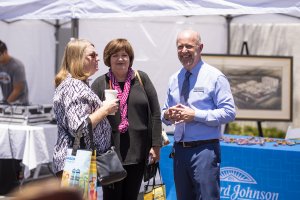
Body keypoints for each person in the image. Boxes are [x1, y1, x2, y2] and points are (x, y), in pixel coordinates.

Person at [161, 29, 236, 200]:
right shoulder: (175, 78)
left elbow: (229, 112)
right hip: (179, 151)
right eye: (180, 47)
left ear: (200, 47)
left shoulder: (215, 77)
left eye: (189, 46)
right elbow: (164, 112)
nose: (184, 51)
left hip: (204, 150)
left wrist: (195, 115)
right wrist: (168, 114)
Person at [91, 38, 162, 200]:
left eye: (125, 55)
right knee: (112, 197)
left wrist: (156, 145)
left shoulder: (141, 79)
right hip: (109, 155)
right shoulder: (100, 83)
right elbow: (91, 119)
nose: (121, 59)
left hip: (138, 153)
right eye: (115, 55)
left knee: (132, 196)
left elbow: (155, 114)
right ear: (108, 59)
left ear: (130, 58)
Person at [52, 38, 119, 178]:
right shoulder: (73, 86)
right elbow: (78, 129)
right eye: (92, 55)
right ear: (77, 59)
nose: (97, 59)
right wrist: (105, 109)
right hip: (77, 163)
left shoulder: (77, 84)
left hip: (80, 161)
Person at [0, 40, 29, 105]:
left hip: (20, 104)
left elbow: (17, 90)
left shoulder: (17, 66)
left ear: (5, 52)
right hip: (7, 102)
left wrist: (5, 104)